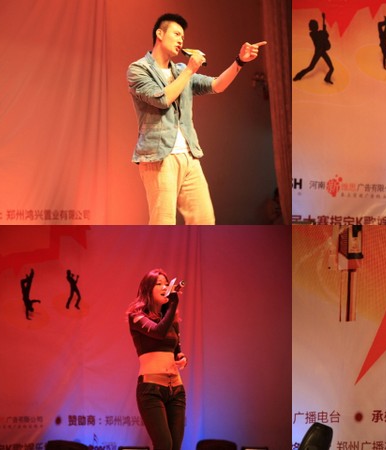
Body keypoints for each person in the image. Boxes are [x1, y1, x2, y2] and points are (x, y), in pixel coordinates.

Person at [127, 13, 267, 225]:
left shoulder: (180, 70)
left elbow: (217, 85)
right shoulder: (138, 69)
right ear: (160, 34)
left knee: (204, 220)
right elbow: (162, 99)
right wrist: (190, 69)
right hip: (158, 157)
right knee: (163, 223)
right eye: (176, 34)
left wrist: (240, 61)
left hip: (189, 155)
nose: (181, 40)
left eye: (183, 37)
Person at [126, 268, 188, 449]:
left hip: (176, 388)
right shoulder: (136, 316)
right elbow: (157, 332)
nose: (164, 287)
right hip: (151, 389)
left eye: (166, 284)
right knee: (164, 445)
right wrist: (174, 304)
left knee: (175, 446)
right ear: (148, 289)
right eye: (158, 284)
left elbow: (177, 351)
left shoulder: (171, 320)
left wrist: (182, 358)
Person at [293, 12, 334, 84]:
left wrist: (324, 28)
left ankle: (327, 78)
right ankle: (298, 76)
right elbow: (324, 36)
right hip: (318, 52)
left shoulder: (319, 33)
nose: (317, 26)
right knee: (311, 67)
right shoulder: (312, 34)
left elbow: (325, 35)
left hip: (322, 51)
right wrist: (324, 30)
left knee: (331, 68)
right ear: (314, 27)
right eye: (316, 25)